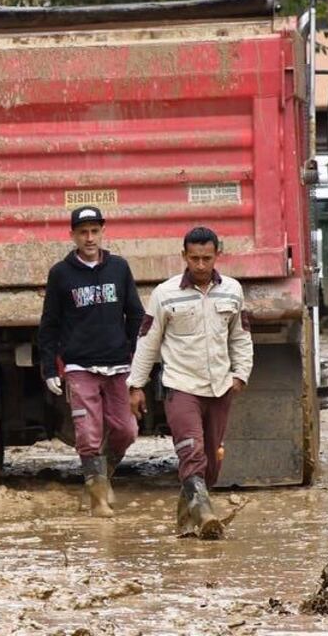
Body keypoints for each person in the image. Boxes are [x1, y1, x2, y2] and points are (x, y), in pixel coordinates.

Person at [128, 226, 252, 539]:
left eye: (206, 258)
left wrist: (240, 375)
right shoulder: (165, 294)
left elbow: (241, 336)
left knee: (211, 464)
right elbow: (148, 340)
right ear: (183, 256)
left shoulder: (233, 291)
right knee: (191, 452)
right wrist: (136, 385)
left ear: (216, 256)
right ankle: (207, 515)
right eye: (194, 258)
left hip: (220, 387)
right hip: (180, 387)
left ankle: (187, 521)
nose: (200, 265)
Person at [38, 205, 144, 517]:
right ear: (72, 235)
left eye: (94, 231)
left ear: (102, 233)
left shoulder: (119, 268)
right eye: (82, 232)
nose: (89, 238)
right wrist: (48, 368)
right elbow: (49, 324)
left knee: (126, 430)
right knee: (87, 432)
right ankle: (97, 497)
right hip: (79, 366)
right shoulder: (61, 274)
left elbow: (136, 314)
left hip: (118, 366)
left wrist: (132, 354)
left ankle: (105, 472)